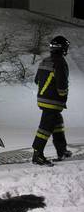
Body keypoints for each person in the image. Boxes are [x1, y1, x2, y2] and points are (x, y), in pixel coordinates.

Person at [32, 36, 72, 166]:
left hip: (43, 99)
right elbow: (62, 85)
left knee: (57, 124)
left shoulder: (45, 61)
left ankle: (62, 150)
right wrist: (63, 95)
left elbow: (36, 80)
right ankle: (37, 155)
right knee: (45, 128)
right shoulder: (60, 62)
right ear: (62, 48)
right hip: (53, 102)